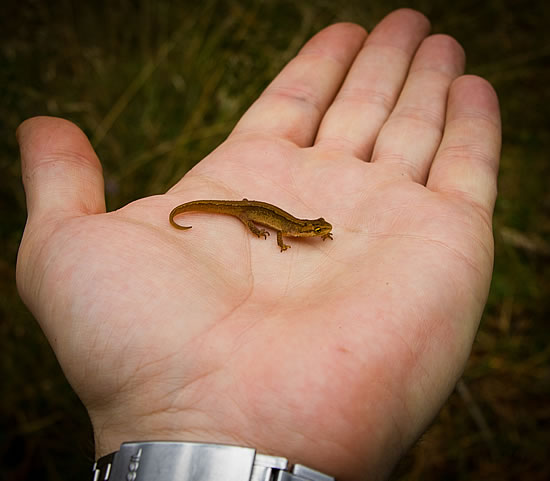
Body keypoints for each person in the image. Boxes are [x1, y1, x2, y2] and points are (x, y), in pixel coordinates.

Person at [15, 8, 500, 481]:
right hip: (247, 207)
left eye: (317, 231)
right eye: (316, 231)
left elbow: (300, 228)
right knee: (248, 218)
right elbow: (274, 228)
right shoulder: (291, 231)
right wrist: (268, 234)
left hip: (254, 208)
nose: (318, 234)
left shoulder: (307, 228)